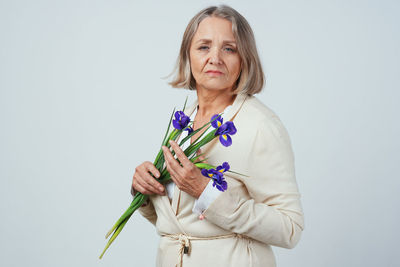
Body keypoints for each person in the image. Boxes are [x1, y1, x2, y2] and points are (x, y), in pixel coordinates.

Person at [131, 5, 304, 267]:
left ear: (245, 58)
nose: (215, 58)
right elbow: (182, 222)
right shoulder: (183, 121)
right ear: (187, 55)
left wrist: (207, 192)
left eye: (229, 48)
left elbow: (290, 228)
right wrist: (145, 191)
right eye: (204, 47)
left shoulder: (261, 126)